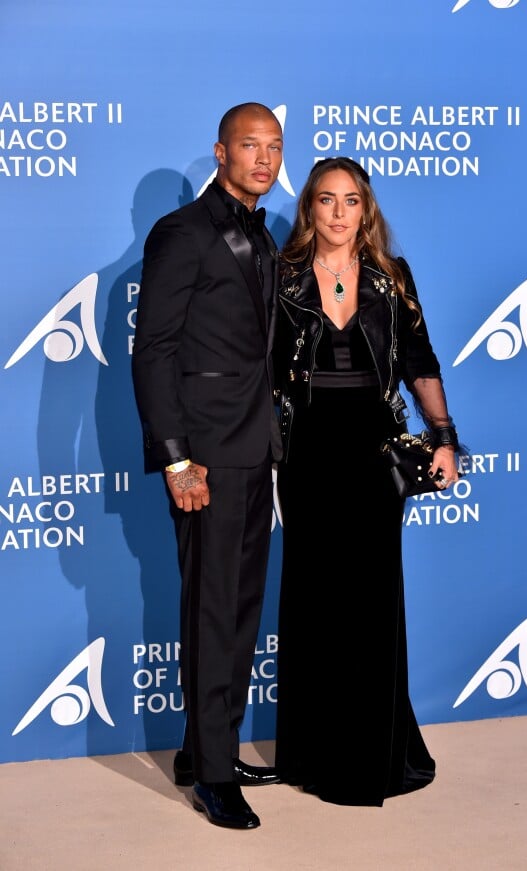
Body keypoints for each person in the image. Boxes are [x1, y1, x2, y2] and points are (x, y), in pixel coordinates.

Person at [273, 157, 460, 807]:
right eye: (326, 200)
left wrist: (444, 436)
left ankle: (377, 751)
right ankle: (313, 752)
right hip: (308, 449)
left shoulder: (391, 278)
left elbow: (419, 360)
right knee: (315, 593)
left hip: (374, 448)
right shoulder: (281, 276)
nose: (338, 213)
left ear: (366, 209)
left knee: (374, 595)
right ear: (309, 209)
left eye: (351, 201)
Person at [132, 103, 284, 830]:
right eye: (250, 145)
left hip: (258, 451)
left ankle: (205, 747)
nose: (264, 158)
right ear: (220, 152)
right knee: (213, 609)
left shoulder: (269, 234)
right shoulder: (182, 233)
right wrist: (176, 458)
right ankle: (213, 776)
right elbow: (153, 349)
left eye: (274, 146)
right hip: (206, 460)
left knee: (241, 609)